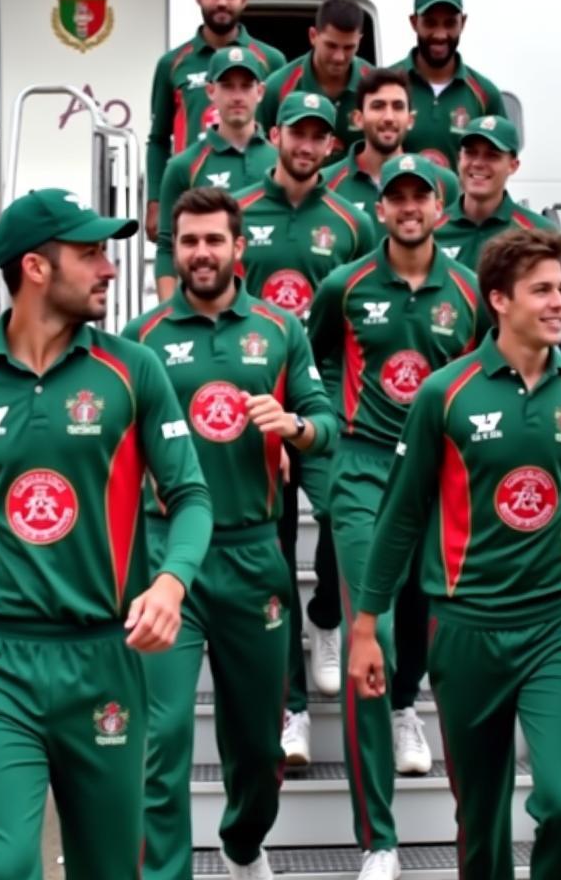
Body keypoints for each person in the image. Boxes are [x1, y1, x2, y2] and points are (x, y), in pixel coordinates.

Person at [0, 188, 212, 880]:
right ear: (36, 268)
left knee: (109, 870)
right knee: (6, 866)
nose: (108, 268)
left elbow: (191, 496)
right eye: (91, 252)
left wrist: (170, 581)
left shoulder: (133, 371)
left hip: (104, 661)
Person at [350, 228, 561, 880]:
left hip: (557, 626)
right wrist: (368, 623)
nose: (557, 301)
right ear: (498, 299)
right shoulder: (445, 393)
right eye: (541, 289)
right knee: (480, 821)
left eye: (559, 286)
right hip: (466, 631)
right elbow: (401, 515)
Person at [124, 186, 336, 880]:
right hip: (166, 562)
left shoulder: (279, 329)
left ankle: (244, 846)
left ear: (239, 248)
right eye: (188, 241)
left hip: (253, 557)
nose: (202, 253)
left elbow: (325, 425)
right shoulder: (143, 337)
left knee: (257, 750)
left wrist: (294, 426)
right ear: (175, 250)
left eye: (214, 240)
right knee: (165, 735)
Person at [309, 153, 486, 880]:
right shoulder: (342, 286)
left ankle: (411, 707)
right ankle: (378, 839)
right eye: (396, 197)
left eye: (421, 198)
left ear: (440, 211)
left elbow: (483, 380)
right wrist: (331, 448)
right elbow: (313, 364)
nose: (409, 207)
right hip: (363, 473)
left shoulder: (472, 292)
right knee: (368, 634)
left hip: (437, 477)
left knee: (423, 620)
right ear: (379, 208)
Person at [233, 91, 375, 764]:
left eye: (320, 135)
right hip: (244, 413)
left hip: (320, 410)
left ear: (331, 145)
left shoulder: (351, 221)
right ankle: (292, 710)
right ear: (276, 134)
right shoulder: (238, 211)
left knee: (345, 518)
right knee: (273, 557)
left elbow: (366, 314)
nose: (307, 144)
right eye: (297, 132)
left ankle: (327, 620)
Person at [146, 0, 287, 240]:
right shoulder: (172, 64)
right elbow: (159, 139)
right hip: (194, 197)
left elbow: (283, 132)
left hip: (261, 198)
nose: (221, 2)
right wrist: (155, 201)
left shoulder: (271, 60)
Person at [155, 46, 277, 300]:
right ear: (211, 91)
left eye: (246, 86)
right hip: (207, 306)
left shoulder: (280, 160)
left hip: (269, 309)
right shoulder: (183, 165)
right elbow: (167, 246)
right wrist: (168, 313)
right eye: (227, 86)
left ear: (261, 92)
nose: (237, 96)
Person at [325, 68, 460, 232]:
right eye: (378, 106)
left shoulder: (444, 182)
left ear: (410, 120)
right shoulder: (327, 183)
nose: (389, 117)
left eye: (398, 106)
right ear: (358, 119)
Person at [391, 0, 506, 168]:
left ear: (463, 22)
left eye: (450, 23)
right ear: (413, 23)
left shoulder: (485, 93)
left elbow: (498, 166)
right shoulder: (386, 85)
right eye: (430, 23)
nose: (440, 34)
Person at [434, 114, 555, 272]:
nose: (478, 163)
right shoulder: (432, 230)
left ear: (513, 166)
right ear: (459, 159)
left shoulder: (540, 233)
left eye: (492, 156)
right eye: (471, 153)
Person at [258, 0, 372, 163]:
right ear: (313, 36)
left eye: (349, 47)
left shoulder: (374, 87)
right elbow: (259, 151)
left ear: (359, 41)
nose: (339, 57)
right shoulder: (278, 87)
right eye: (331, 46)